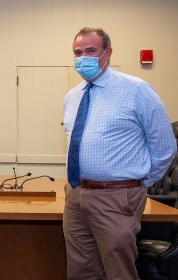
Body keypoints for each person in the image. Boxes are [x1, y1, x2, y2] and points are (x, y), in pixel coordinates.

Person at [63, 27, 177, 279]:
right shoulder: (72, 97)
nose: (83, 58)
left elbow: (165, 148)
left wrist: (138, 184)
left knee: (118, 272)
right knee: (80, 270)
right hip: (76, 196)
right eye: (77, 52)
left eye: (91, 51)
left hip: (117, 196)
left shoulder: (137, 90)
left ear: (108, 53)